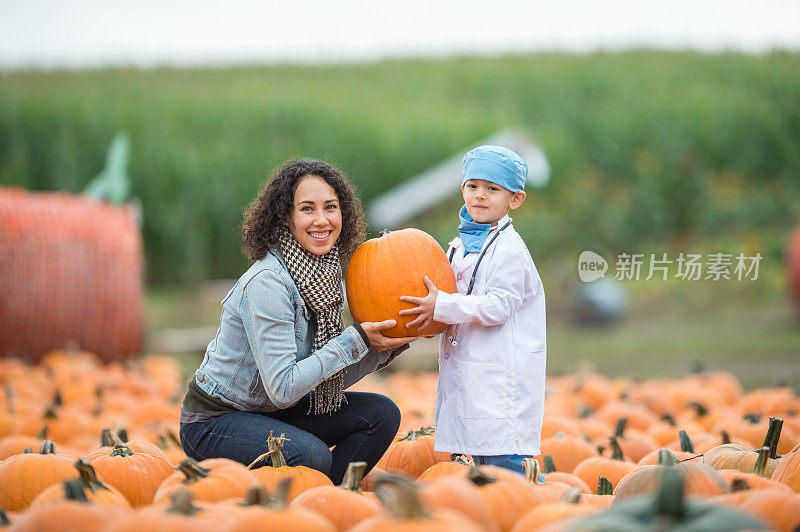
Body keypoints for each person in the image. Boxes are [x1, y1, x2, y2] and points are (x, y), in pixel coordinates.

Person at [179, 159, 417, 485]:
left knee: (381, 414)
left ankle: (328, 502)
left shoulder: (323, 274)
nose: (322, 220)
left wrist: (383, 346)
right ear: (285, 218)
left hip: (271, 411)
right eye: (307, 209)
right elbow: (284, 388)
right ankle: (308, 500)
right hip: (216, 420)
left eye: (330, 207)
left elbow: (318, 379)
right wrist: (353, 341)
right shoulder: (268, 283)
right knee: (310, 455)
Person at [399, 145, 546, 477]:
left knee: (505, 466)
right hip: (467, 371)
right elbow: (449, 297)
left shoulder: (510, 250)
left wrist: (444, 306)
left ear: (515, 199)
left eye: (492, 189)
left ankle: (553, 510)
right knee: (472, 464)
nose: (480, 196)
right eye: (473, 186)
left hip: (498, 378)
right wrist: (429, 316)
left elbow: (498, 306)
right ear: (462, 189)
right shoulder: (458, 245)